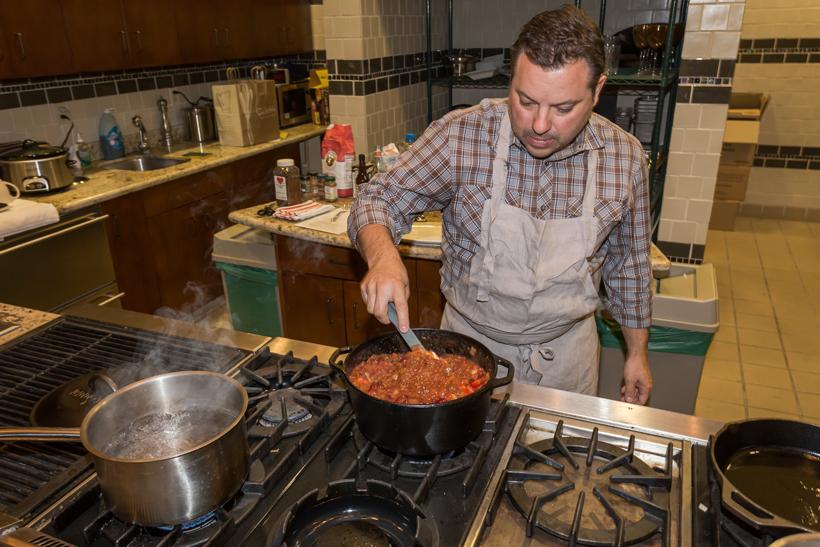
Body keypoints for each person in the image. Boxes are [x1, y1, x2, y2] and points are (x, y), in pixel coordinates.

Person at [347, 5, 653, 404]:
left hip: (567, 357)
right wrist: (383, 256)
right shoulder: (462, 135)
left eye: (563, 108)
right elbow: (377, 197)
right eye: (525, 101)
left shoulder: (625, 157)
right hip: (466, 350)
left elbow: (629, 266)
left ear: (597, 92)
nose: (540, 124)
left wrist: (637, 355)